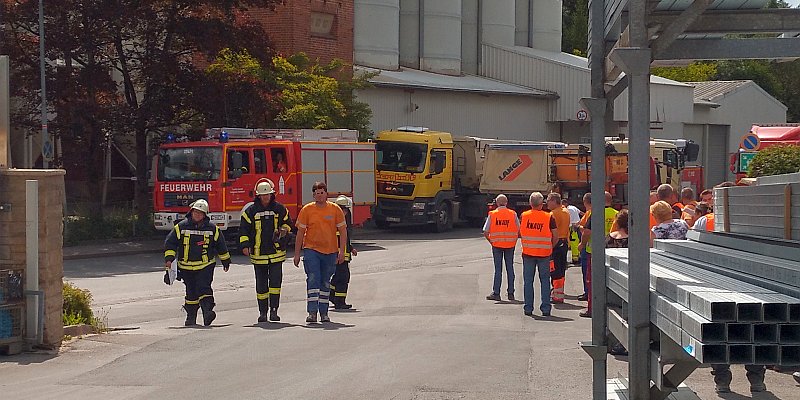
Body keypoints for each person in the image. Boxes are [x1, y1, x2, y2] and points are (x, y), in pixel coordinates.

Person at [164, 199, 231, 326]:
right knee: (191, 292)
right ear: (191, 211)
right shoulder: (181, 227)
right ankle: (191, 316)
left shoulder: (213, 229)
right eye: (195, 212)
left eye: (200, 213)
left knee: (204, 287)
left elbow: (221, 245)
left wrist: (225, 261)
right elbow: (170, 243)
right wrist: (169, 259)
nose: (197, 215)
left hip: (205, 265)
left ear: (205, 215)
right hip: (186, 267)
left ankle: (207, 313)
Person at [293, 182, 348, 323]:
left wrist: (342, 251)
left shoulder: (335, 210)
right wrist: (297, 253)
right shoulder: (307, 210)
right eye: (316, 193)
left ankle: (324, 313)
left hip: (330, 252)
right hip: (312, 250)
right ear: (313, 195)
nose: (319, 195)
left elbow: (343, 232)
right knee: (313, 279)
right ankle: (312, 312)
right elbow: (300, 233)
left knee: (325, 282)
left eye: (322, 192)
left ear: (326, 194)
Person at [239, 179, 292, 323]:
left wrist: (284, 230)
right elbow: (243, 230)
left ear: (272, 194)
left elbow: (288, 223)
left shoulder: (279, 209)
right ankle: (263, 312)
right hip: (259, 254)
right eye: (263, 195)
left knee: (275, 285)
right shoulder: (250, 211)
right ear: (258, 196)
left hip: (276, 254)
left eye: (268, 194)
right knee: (261, 285)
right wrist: (244, 245)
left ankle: (274, 311)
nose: (266, 197)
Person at [519, 192, 558, 317]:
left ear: (530, 203)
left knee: (528, 281)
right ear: (542, 204)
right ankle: (546, 309)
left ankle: (528, 308)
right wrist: (549, 246)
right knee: (545, 281)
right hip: (544, 254)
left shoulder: (524, 216)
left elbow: (520, 232)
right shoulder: (549, 217)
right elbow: (556, 236)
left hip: (528, 253)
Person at [484, 194, 520, 302]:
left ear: (496, 203)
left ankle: (496, 293)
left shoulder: (493, 214)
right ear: (507, 202)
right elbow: (519, 229)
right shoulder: (512, 214)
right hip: (510, 245)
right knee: (510, 268)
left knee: (498, 270)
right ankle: (511, 293)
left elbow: (486, 232)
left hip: (497, 246)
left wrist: (492, 242)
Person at [331, 195, 358, 310]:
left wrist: (351, 248)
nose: (346, 212)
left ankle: (332, 295)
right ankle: (339, 301)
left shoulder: (342, 222)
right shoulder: (336, 224)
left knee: (338, 277)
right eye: (344, 209)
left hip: (343, 256)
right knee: (342, 278)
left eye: (346, 210)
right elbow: (335, 240)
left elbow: (344, 240)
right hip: (339, 257)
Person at [546, 193, 570, 304]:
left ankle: (557, 295)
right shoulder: (565, 211)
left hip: (556, 243)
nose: (547, 203)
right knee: (561, 269)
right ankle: (559, 292)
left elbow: (552, 231)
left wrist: (550, 245)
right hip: (564, 243)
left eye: (548, 200)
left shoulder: (553, 214)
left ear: (554, 201)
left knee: (555, 270)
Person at [577, 192, 592, 302]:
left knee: (588, 274)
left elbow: (585, 230)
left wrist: (582, 244)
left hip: (589, 248)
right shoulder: (614, 213)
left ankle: (588, 294)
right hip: (609, 248)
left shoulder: (590, 213)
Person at [562, 199, 582, 264]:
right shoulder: (573, 207)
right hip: (578, 225)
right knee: (577, 241)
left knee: (572, 243)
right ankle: (577, 257)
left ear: (565, 204)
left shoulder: (566, 210)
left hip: (572, 227)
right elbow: (581, 213)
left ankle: (575, 259)